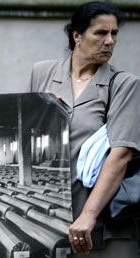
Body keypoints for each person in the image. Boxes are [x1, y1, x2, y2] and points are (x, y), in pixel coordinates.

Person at [29, 1, 140, 257]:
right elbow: (29, 137)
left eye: (114, 33)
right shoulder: (42, 72)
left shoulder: (124, 84)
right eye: (101, 33)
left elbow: (121, 155)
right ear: (77, 35)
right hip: (53, 214)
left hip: (104, 220)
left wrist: (88, 216)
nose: (110, 41)